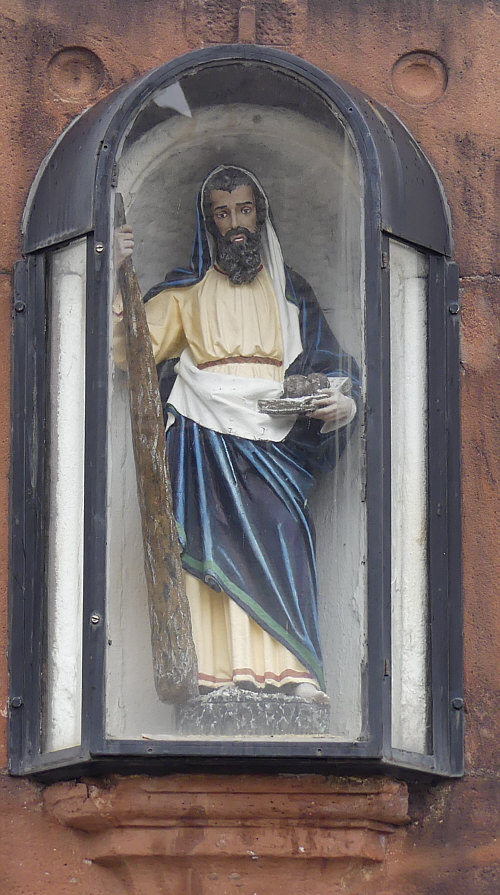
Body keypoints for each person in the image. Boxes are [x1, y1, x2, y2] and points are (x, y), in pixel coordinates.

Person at [114, 165, 358, 702]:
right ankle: (215, 674)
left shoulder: (291, 291)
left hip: (276, 436)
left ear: (260, 214)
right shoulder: (186, 291)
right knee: (210, 547)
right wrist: (113, 270)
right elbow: (129, 348)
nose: (235, 223)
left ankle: (293, 670)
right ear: (209, 223)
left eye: (244, 210)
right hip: (203, 437)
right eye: (222, 214)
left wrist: (345, 399)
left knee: (284, 536)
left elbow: (330, 361)